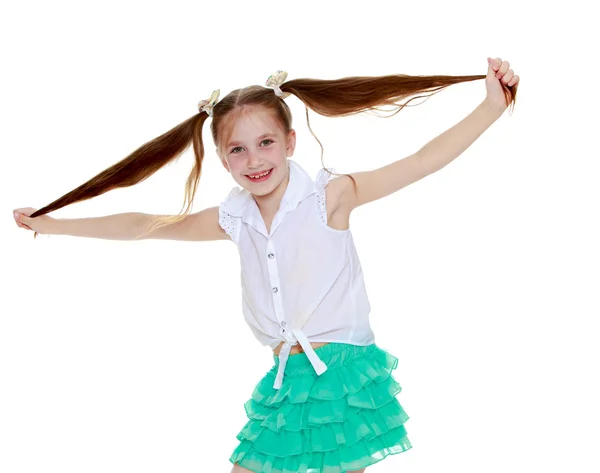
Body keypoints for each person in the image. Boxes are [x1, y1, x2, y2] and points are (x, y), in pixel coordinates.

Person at [13, 58, 519, 473]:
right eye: (237, 149)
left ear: (290, 142)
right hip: (285, 376)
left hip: (338, 372)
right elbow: (145, 224)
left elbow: (421, 161)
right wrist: (50, 225)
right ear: (222, 158)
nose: (254, 160)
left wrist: (490, 108)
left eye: (266, 143)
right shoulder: (234, 218)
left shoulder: (330, 196)